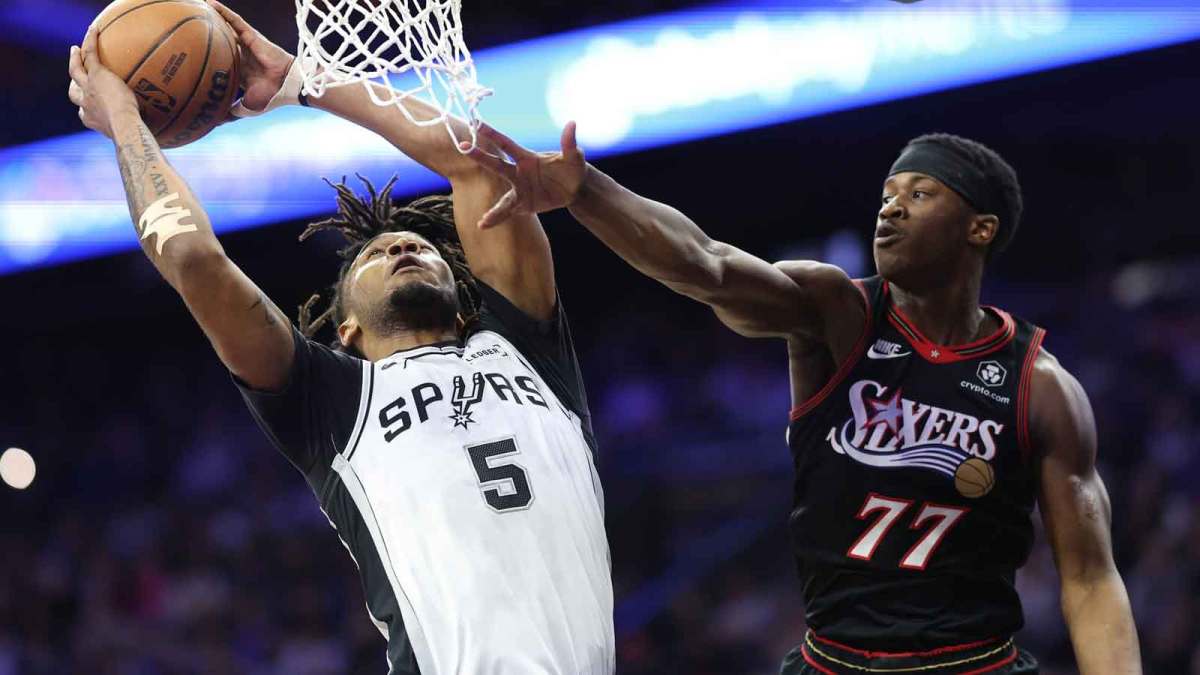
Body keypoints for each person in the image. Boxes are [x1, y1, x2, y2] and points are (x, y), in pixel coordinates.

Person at [463, 124, 1142, 673]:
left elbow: (1088, 575)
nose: (891, 206)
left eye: (920, 192)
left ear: (980, 228)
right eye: (887, 192)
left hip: (974, 661)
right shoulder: (836, 311)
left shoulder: (1040, 385)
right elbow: (707, 264)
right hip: (836, 659)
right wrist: (587, 192)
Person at [66, 3, 613, 672]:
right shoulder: (328, 402)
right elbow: (194, 260)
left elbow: (479, 165)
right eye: (376, 255)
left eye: (415, 243)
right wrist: (125, 117)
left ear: (466, 300)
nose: (405, 243)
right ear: (346, 328)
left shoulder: (528, 351)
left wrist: (303, 81)